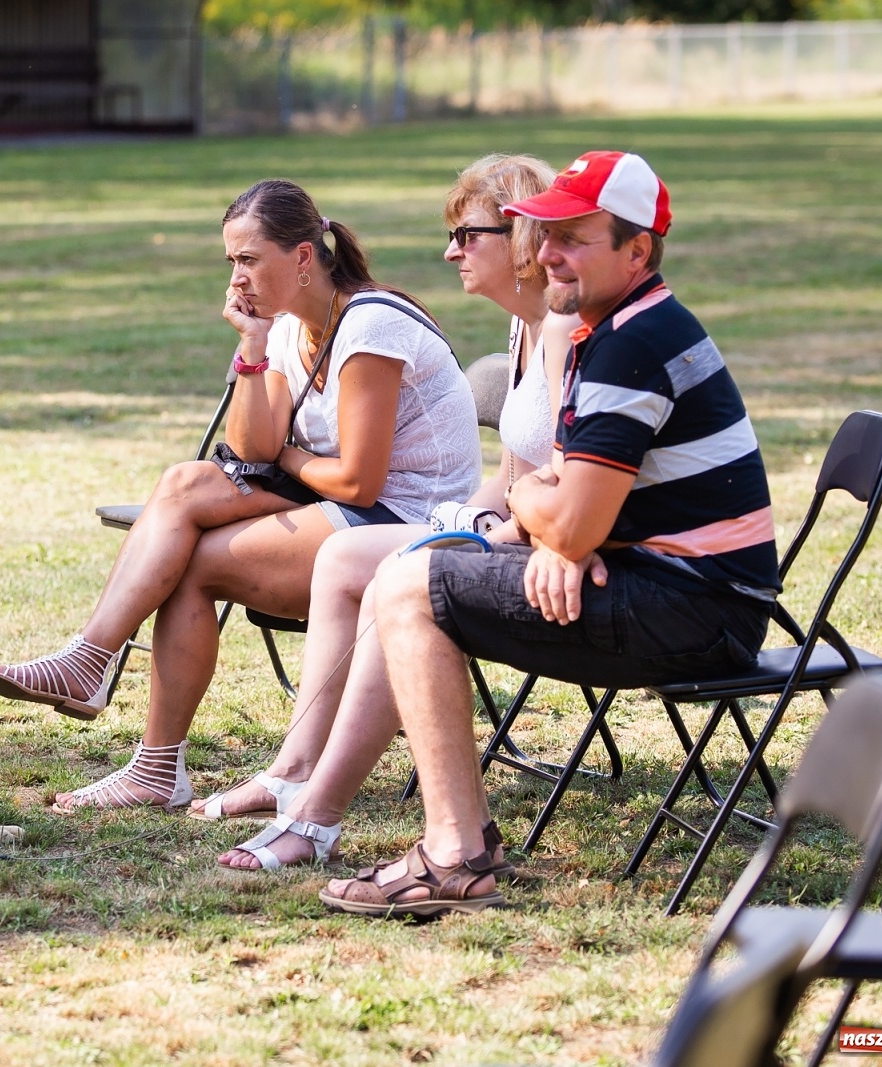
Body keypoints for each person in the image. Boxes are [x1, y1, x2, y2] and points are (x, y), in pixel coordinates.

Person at [318, 151, 781, 917]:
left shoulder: (630, 345)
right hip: (676, 587)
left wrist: (544, 517)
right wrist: (556, 529)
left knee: (407, 587)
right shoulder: (616, 328)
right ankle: (452, 842)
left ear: (637, 250)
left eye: (575, 237)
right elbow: (566, 499)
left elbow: (566, 512)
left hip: (694, 609)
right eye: (547, 232)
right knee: (416, 571)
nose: (550, 252)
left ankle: (454, 854)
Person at [0, 179, 480, 813]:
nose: (237, 278)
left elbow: (359, 481)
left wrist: (290, 457)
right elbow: (252, 447)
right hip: (337, 505)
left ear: (302, 257)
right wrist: (252, 346)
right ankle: (92, 665)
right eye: (231, 262)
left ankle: (144, 753)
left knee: (194, 563)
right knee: (183, 483)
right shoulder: (289, 328)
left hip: (409, 521)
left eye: (249, 260)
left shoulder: (370, 324)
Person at [195, 154, 580, 871]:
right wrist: (466, 522)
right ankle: (294, 768)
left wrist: (483, 531)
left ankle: (315, 813)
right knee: (347, 557)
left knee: (397, 580)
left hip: (561, 554)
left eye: (467, 236)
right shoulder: (525, 329)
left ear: (522, 235)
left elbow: (569, 482)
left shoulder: (565, 331)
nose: (452, 251)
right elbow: (515, 475)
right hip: (517, 530)